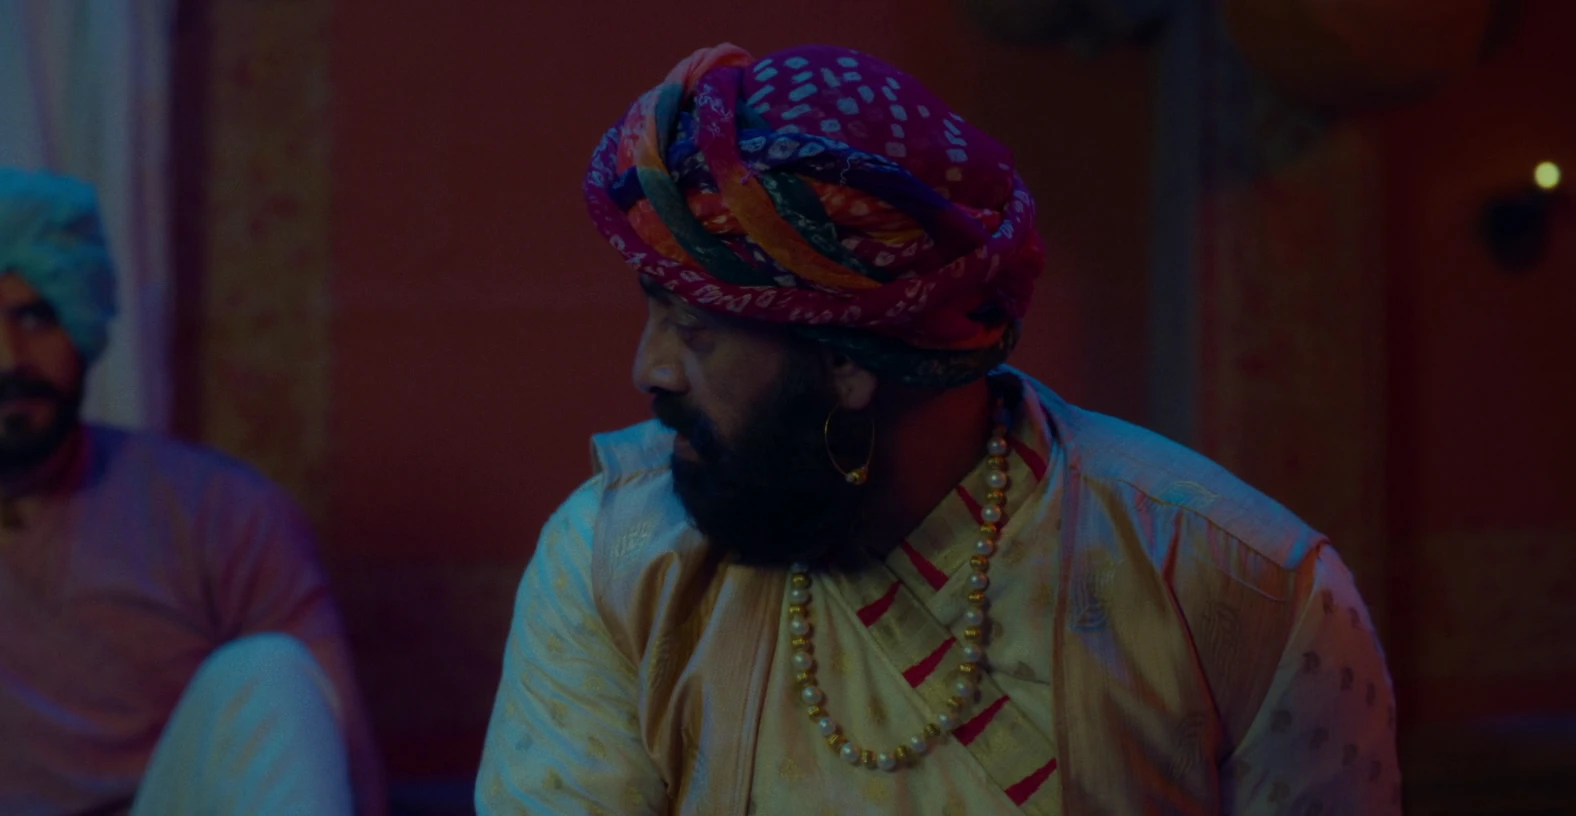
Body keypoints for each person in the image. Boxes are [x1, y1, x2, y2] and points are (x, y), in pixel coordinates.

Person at [477, 44, 1399, 814]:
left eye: (695, 328)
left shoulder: (1243, 587)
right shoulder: (611, 563)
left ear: (847, 360)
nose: (650, 369)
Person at [0, 168, 384, 815]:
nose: (8, 358)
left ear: (78, 329)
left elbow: (352, 788)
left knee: (270, 671)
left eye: (37, 316)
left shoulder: (227, 516)